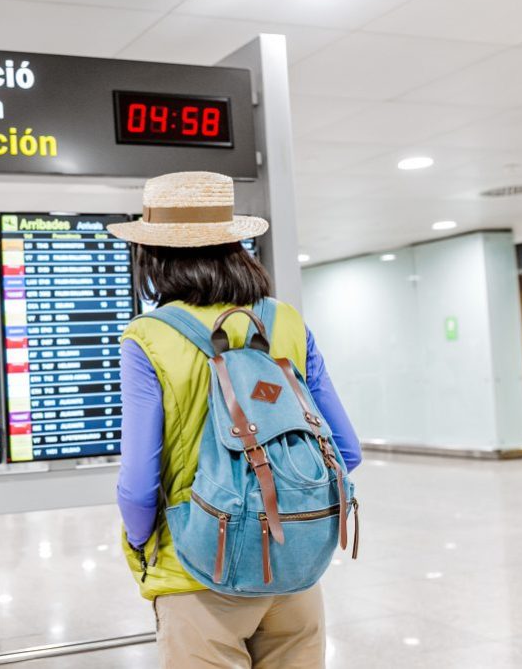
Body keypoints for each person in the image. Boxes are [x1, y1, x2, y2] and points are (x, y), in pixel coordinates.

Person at [107, 172, 362, 669]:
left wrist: (143, 547)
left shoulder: (149, 337)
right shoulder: (285, 320)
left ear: (153, 256)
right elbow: (346, 451)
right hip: (295, 572)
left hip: (198, 572)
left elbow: (138, 485)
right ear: (235, 244)